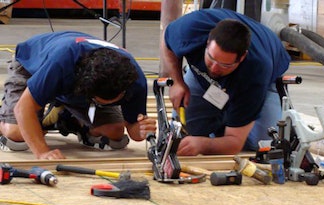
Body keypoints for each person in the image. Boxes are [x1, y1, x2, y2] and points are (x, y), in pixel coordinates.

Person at [0, 31, 156, 160]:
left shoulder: (133, 79)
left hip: (74, 81)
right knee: (17, 134)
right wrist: (42, 151)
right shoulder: (62, 62)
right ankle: (7, 116)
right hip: (31, 65)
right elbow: (22, 108)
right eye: (98, 101)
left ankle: (68, 118)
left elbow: (134, 130)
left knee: (114, 132)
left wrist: (141, 130)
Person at [160, 9, 291, 156]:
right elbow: (167, 40)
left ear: (241, 58)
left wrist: (203, 145)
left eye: (225, 65)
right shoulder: (191, 29)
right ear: (208, 43)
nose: (215, 69)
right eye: (211, 59)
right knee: (187, 130)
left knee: (263, 143)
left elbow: (235, 143)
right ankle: (223, 120)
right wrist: (178, 81)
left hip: (263, 75)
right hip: (200, 75)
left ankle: (232, 118)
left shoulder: (256, 71)